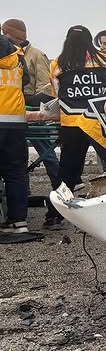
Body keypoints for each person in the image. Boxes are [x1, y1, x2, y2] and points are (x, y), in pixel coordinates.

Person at [46, 26, 106, 229]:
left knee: (68, 171)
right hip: (100, 122)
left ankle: (55, 215)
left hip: (73, 124)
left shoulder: (59, 65)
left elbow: (57, 94)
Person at [2, 19, 60, 191]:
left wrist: (31, 103)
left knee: (46, 153)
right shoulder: (8, 53)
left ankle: (59, 184)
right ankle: (23, 189)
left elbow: (45, 85)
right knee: (19, 156)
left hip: (33, 110)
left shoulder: (36, 55)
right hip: (15, 111)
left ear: (10, 34)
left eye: (4, 33)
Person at [0, 35, 28, 232]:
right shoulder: (18, 56)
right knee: (16, 173)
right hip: (15, 122)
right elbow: (25, 80)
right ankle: (19, 222)